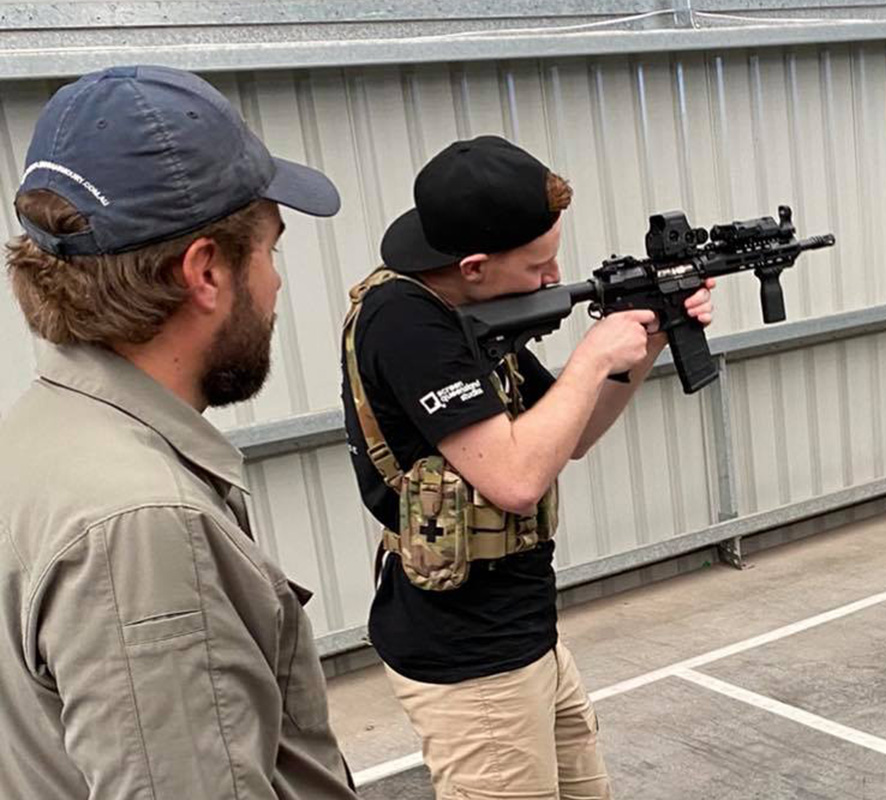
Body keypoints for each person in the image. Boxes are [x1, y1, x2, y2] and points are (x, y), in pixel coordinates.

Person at [0, 65, 359, 798]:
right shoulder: (143, 524)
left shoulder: (39, 438)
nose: (277, 284)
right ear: (205, 272)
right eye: (270, 251)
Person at [339, 135, 714, 799]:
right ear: (475, 266)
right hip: (471, 663)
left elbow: (571, 435)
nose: (551, 279)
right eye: (538, 265)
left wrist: (650, 336)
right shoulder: (406, 324)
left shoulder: (471, 312)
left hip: (526, 635)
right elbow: (514, 481)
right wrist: (593, 356)